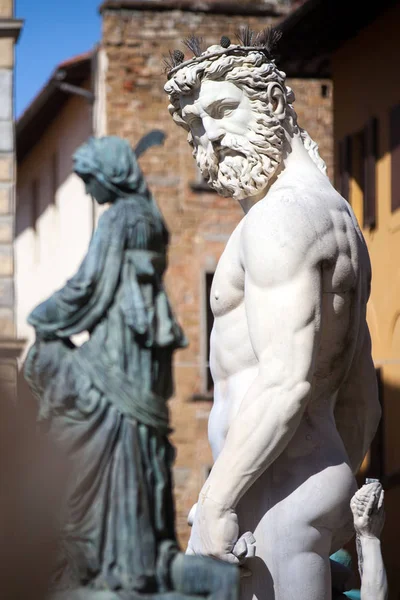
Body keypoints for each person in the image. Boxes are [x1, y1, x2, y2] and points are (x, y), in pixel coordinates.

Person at [164, 29, 381, 600]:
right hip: (294, 478)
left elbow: (286, 382)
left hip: (272, 491)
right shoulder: (336, 217)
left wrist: (217, 501)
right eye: (194, 123)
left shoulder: (279, 220)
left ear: (273, 104)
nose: (209, 134)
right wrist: (335, 482)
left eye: (222, 109)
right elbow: (363, 395)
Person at [24, 136, 238, 600]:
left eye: (90, 181)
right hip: (139, 354)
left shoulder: (120, 219)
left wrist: (41, 317)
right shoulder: (148, 217)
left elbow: (88, 286)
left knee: (92, 443)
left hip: (120, 353)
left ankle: (114, 562)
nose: (87, 192)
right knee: (128, 447)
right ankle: (126, 554)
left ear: (110, 176)